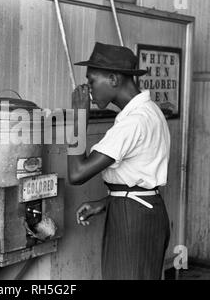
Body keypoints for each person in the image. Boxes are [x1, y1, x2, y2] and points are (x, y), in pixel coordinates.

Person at [67, 42, 171, 280]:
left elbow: (77, 173)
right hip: (143, 210)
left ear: (113, 79)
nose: (89, 90)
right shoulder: (149, 111)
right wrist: (107, 202)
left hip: (132, 219)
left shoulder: (134, 121)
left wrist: (78, 118)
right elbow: (140, 177)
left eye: (92, 81)